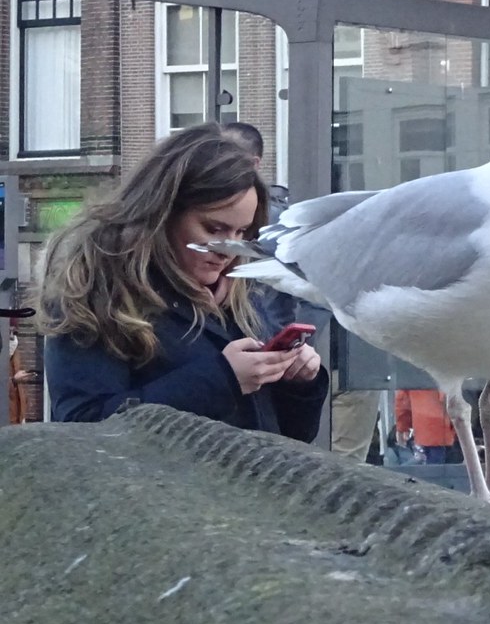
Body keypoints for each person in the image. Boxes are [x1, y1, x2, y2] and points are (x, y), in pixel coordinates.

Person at [38, 124, 328, 443]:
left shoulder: (243, 291)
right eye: (213, 229)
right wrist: (224, 380)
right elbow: (84, 428)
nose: (228, 250)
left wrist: (298, 385)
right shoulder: (96, 287)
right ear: (163, 213)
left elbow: (287, 439)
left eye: (241, 233)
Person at [223, 121, 381, 460]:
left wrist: (287, 345)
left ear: (253, 165)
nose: (228, 243)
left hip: (325, 364)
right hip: (306, 364)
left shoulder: (279, 222)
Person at [394, 389, 456, 464]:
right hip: (452, 430)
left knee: (430, 470)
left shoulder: (412, 377)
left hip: (426, 432)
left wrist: (402, 428)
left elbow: (403, 401)